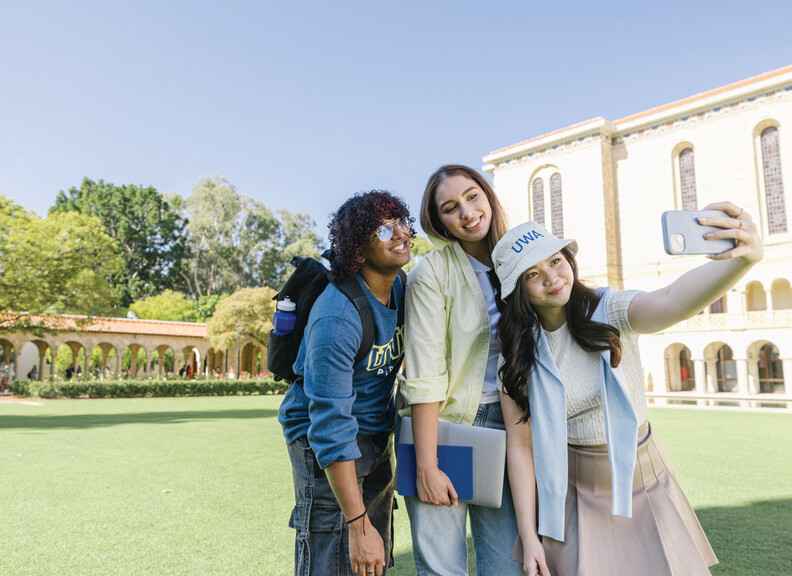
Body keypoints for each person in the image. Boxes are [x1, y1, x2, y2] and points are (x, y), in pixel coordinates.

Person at [493, 202, 763, 576]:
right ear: (519, 292)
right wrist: (530, 536)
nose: (552, 278)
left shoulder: (611, 309)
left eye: (556, 261)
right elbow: (520, 447)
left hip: (644, 480)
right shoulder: (518, 359)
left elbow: (671, 300)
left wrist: (742, 261)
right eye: (532, 274)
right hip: (572, 495)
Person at [278, 191, 414, 576]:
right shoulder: (336, 316)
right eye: (383, 229)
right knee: (332, 553)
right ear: (356, 245)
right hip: (323, 441)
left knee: (374, 555)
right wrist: (356, 524)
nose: (400, 233)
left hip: (374, 429)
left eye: (401, 222)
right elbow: (329, 426)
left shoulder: (401, 286)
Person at [398, 165, 522, 575]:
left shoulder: (520, 259)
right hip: (442, 428)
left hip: (509, 431)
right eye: (450, 208)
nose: (467, 212)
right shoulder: (431, 272)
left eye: (472, 196)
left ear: (487, 195)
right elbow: (424, 371)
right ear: (439, 222)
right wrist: (427, 465)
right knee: (441, 571)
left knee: (508, 566)